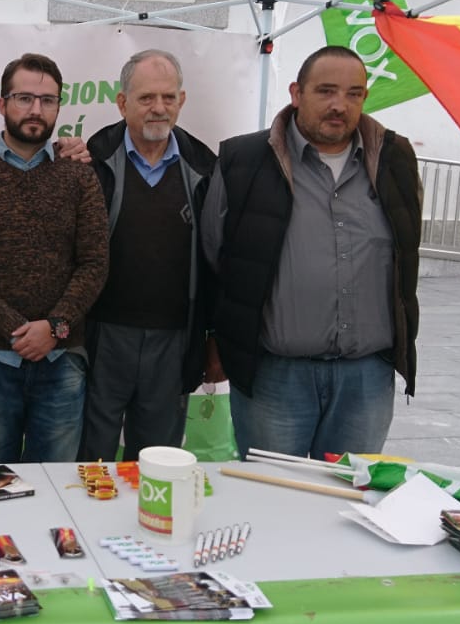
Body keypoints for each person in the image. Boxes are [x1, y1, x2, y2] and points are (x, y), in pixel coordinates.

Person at [203, 45, 422, 459]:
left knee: (349, 493)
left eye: (353, 93)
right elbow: (216, 255)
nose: (340, 105)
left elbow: (405, 253)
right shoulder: (244, 160)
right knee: (274, 491)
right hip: (274, 377)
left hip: (366, 380)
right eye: (325, 91)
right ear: (296, 93)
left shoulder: (394, 159)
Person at [0, 53, 108, 463]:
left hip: (62, 359)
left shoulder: (79, 176)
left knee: (58, 483)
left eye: (47, 100)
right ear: (2, 104)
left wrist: (55, 327)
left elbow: (95, 263)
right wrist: (16, 329)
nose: (36, 109)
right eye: (24, 98)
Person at [77, 49, 218, 462]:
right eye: (146, 98)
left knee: (156, 463)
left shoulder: (207, 170)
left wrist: (213, 339)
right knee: (90, 461)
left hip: (174, 343)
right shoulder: (89, 163)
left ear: (182, 100)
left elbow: (218, 264)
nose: (159, 108)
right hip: (101, 338)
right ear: (122, 103)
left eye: (168, 97)